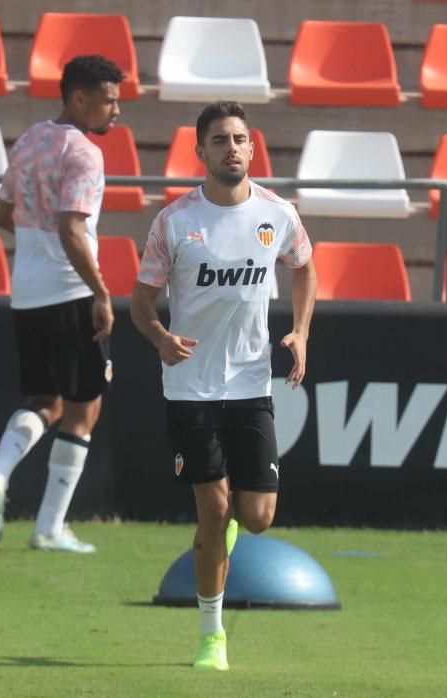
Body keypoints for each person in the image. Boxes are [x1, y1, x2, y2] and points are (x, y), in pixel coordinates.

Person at [130, 102, 317, 670]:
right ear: (201, 152)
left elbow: (304, 266)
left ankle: (224, 531)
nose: (231, 148)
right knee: (211, 508)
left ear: (251, 148)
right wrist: (161, 336)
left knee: (256, 516)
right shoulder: (175, 221)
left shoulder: (278, 214)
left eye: (239, 139)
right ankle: (212, 636)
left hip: (250, 383)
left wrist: (302, 332)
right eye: (219, 140)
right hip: (190, 387)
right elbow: (140, 299)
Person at [0, 55, 122, 553]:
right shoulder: (84, 153)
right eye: (108, 100)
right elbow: (71, 228)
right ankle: (49, 528)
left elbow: (1, 213)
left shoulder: (30, 140)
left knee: (45, 403)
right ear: (78, 98)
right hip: (71, 291)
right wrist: (101, 292)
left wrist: (36, 246)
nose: (115, 111)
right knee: (84, 410)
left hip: (28, 292)